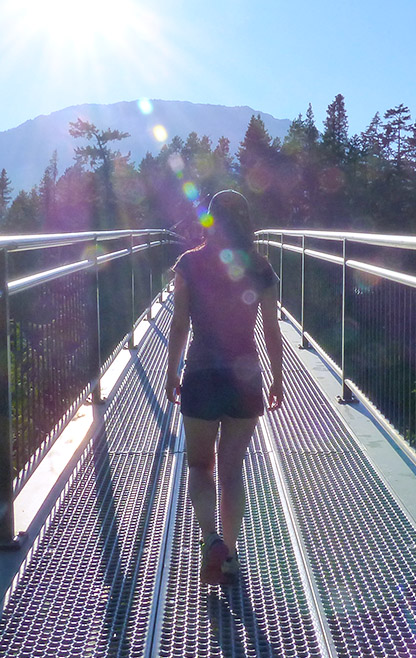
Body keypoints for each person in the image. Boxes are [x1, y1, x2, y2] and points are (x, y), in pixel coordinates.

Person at [165, 189, 284, 585]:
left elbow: (180, 323)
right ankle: (230, 556)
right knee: (232, 468)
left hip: (200, 373)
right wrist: (278, 376)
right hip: (245, 377)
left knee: (200, 465)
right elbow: (271, 329)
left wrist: (171, 370)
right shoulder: (262, 268)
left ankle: (210, 539)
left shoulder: (189, 263)